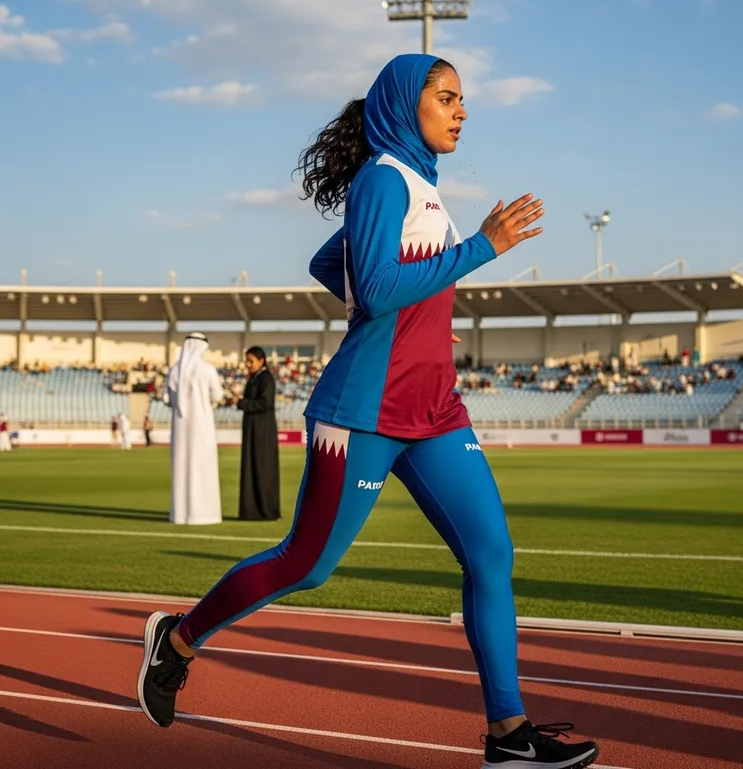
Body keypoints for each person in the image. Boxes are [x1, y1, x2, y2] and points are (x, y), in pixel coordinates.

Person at [136, 54, 599, 768]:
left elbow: (336, 266)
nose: (462, 111)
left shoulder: (420, 184)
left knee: (490, 554)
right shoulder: (383, 177)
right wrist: (483, 247)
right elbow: (377, 288)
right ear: (405, 104)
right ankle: (177, 640)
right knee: (306, 564)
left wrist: (407, 308)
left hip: (436, 411)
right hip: (362, 413)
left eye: (463, 99)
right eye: (447, 97)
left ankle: (509, 737)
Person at [162, 332, 225, 526]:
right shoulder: (207, 370)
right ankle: (204, 514)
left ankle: (180, 514)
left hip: (180, 427)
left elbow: (166, 399)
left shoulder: (174, 371)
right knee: (202, 467)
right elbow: (218, 396)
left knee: (181, 467)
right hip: (202, 426)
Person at [235, 346, 280, 521]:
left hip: (262, 430)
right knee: (252, 465)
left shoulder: (266, 378)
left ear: (261, 361)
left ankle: (266, 510)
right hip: (253, 428)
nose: (248, 364)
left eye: (251, 361)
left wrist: (242, 403)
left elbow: (265, 403)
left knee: (263, 467)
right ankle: (252, 510)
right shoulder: (254, 378)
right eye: (247, 361)